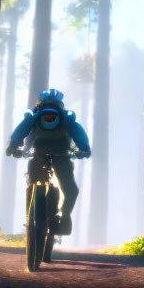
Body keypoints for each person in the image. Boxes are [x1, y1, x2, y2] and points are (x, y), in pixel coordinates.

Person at [6, 88, 90, 235]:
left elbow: (21, 130)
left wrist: (14, 146)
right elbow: (78, 133)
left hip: (38, 155)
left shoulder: (34, 115)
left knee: (33, 183)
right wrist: (84, 149)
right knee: (71, 191)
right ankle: (64, 218)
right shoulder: (66, 117)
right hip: (62, 156)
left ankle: (31, 213)